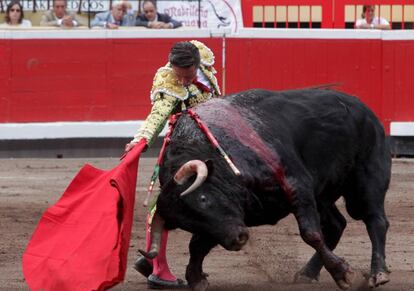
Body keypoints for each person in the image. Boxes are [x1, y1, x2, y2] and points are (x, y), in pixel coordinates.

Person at [125, 40, 221, 289]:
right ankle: (158, 270)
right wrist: (140, 142)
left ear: (197, 66)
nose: (183, 81)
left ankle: (151, 259)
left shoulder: (205, 63)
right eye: (179, 76)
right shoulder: (168, 80)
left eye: (187, 76)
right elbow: (157, 115)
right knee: (165, 204)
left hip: (210, 143)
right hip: (182, 149)